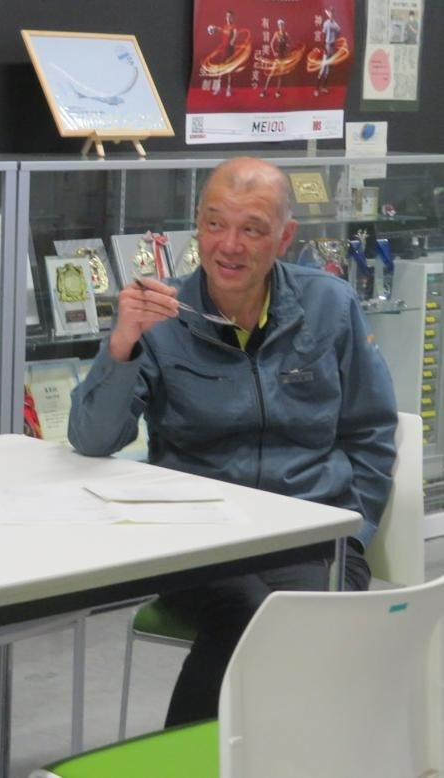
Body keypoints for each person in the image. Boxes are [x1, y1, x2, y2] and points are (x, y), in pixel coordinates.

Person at [68, 157, 397, 726]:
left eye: (252, 229)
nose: (229, 245)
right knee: (254, 615)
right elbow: (92, 439)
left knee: (295, 620)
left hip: (311, 533)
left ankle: (249, 756)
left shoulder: (330, 304)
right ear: (197, 226)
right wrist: (122, 344)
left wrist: (356, 529)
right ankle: (205, 758)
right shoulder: (161, 314)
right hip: (199, 541)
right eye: (215, 223)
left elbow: (371, 430)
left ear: (285, 238)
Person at [260, 19, 290, 98]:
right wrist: (274, 52)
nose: (280, 26)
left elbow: (289, 44)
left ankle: (277, 91)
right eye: (279, 25)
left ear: (284, 25)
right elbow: (271, 43)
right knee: (271, 74)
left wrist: (287, 50)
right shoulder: (276, 33)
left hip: (283, 57)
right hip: (277, 57)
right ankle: (264, 90)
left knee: (280, 75)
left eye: (281, 25)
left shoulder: (286, 34)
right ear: (278, 26)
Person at [315, 7, 341, 96]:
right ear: (328, 13)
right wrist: (324, 48)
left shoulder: (336, 25)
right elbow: (323, 35)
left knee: (328, 70)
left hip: (332, 47)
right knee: (323, 68)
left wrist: (335, 39)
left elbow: (338, 32)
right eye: (330, 12)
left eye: (332, 12)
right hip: (327, 45)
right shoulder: (326, 23)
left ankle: (323, 87)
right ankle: (316, 89)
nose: (331, 14)